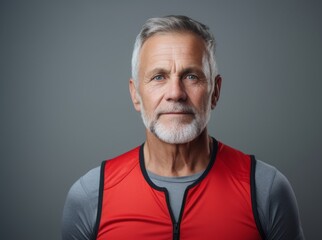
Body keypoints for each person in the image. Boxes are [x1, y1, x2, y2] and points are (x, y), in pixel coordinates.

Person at [62, 15, 305, 240]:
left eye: (191, 76)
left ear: (215, 92)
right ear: (135, 94)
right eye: (159, 77)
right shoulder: (92, 195)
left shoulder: (265, 189)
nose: (176, 93)